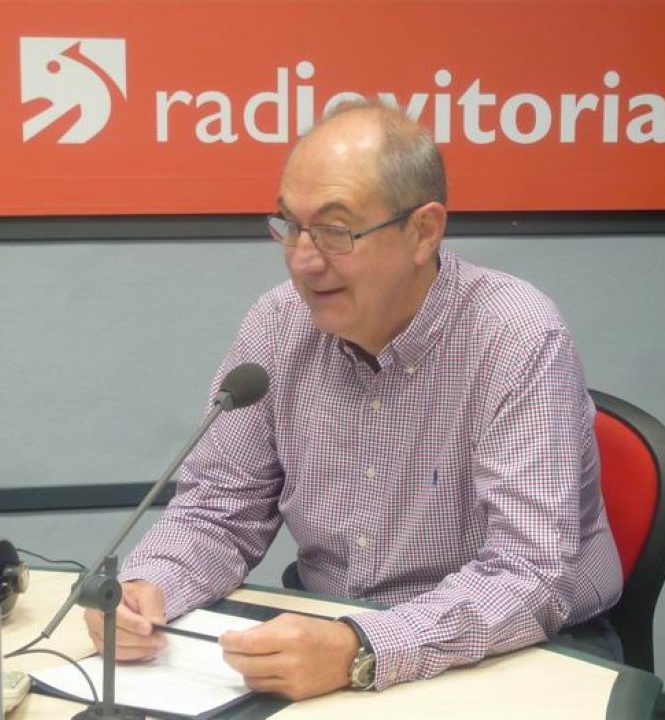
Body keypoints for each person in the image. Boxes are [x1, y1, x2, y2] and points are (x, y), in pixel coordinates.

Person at [84, 100, 623, 701]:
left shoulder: (515, 335)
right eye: (291, 225)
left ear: (424, 231)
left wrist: (361, 648)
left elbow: (527, 575)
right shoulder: (277, 324)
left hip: (518, 646)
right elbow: (219, 509)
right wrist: (149, 586)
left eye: (336, 231)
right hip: (330, 631)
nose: (303, 259)